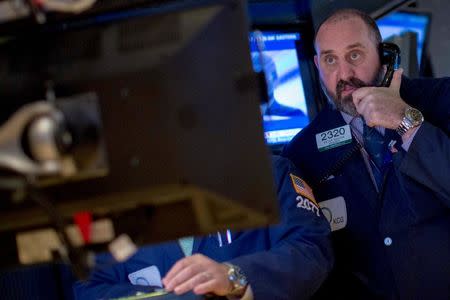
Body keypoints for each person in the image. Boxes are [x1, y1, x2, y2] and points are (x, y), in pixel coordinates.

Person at [282, 8, 450, 300]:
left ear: (384, 54)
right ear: (317, 65)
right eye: (330, 59)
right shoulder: (301, 152)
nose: (344, 73)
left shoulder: (441, 99)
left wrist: (406, 121)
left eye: (355, 55)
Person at [74, 155, 333, 300]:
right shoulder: (113, 207)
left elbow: (309, 250)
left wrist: (233, 277)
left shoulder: (267, 172)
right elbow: (89, 287)